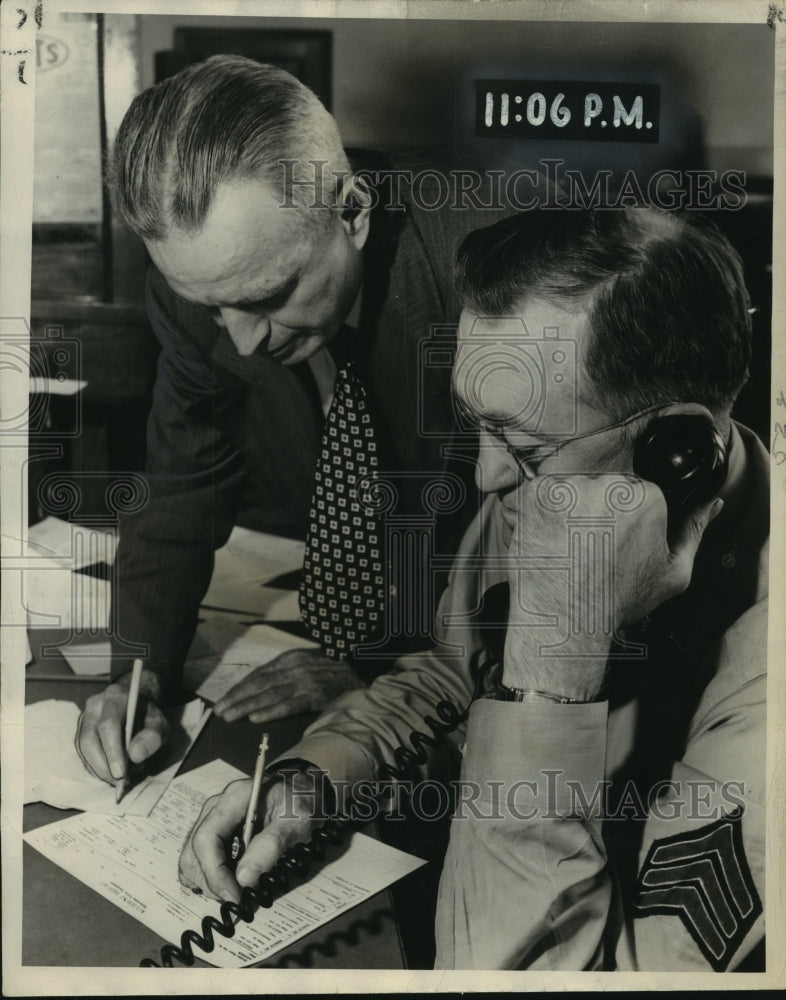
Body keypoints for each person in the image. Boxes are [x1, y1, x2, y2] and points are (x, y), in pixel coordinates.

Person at [178, 206, 768, 971]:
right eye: (480, 429)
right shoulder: (557, 489)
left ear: (676, 453)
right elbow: (453, 672)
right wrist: (317, 779)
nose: (487, 477)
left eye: (520, 446)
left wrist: (550, 684)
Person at [75, 55, 518, 787]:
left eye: (267, 295)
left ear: (352, 212)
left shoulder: (498, 274)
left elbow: (562, 544)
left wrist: (382, 668)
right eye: (213, 307)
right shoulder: (206, 280)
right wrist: (140, 673)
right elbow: (181, 484)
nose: (240, 341)